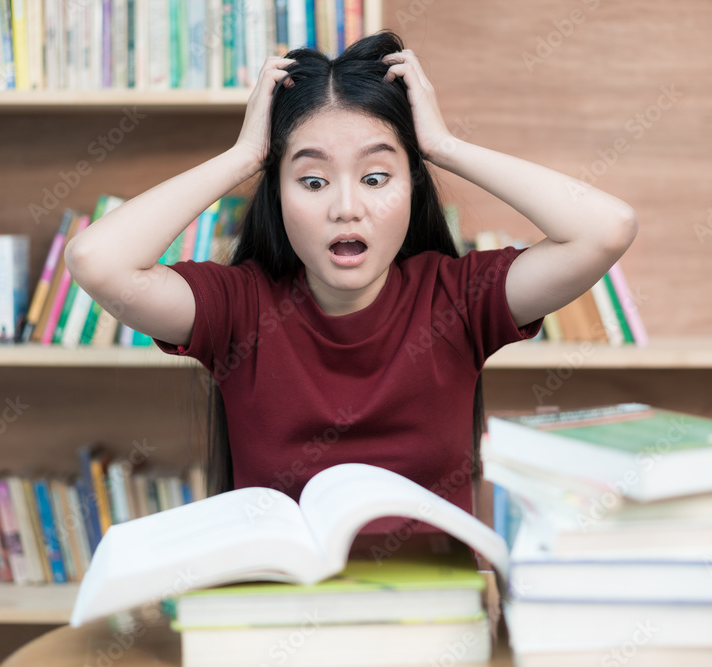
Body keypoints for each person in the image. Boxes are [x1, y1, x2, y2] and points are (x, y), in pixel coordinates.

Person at [65, 31, 637, 524]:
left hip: (433, 628)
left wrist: (442, 146)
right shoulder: (238, 309)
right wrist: (244, 156)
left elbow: (606, 228)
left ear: (412, 186)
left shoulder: (458, 299)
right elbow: (97, 259)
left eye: (376, 177)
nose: (346, 207)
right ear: (278, 194)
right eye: (312, 181)